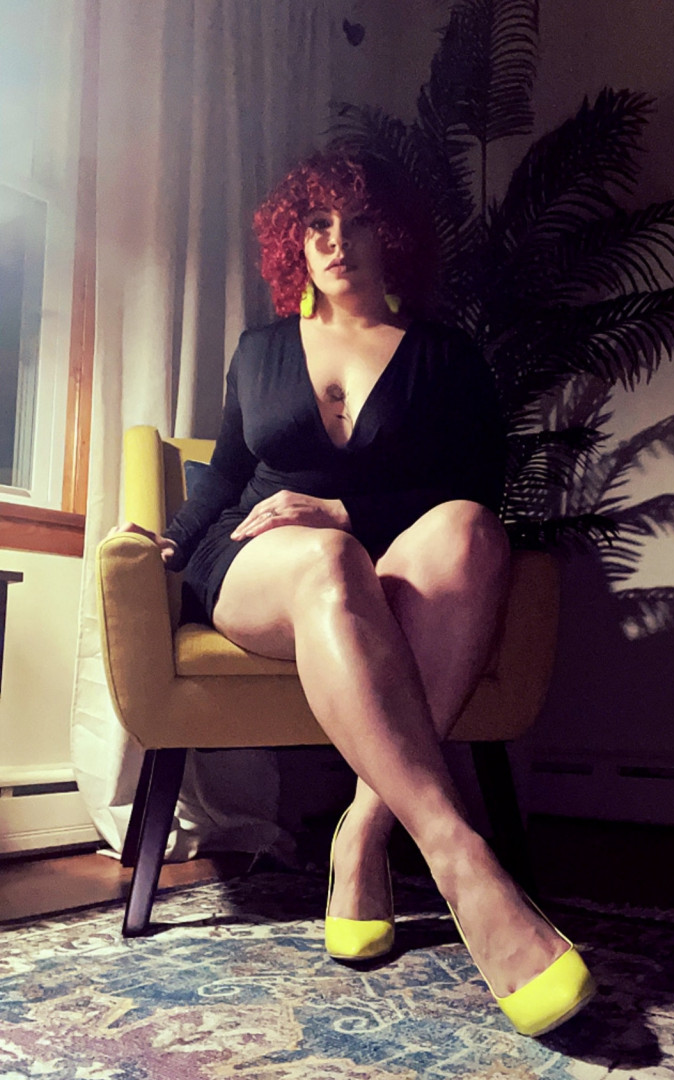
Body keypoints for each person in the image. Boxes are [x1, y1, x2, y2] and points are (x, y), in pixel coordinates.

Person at [115, 149, 595, 1036]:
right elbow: (226, 473)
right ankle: (462, 864)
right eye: (317, 224)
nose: (337, 242)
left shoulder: (446, 356)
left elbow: (476, 485)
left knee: (469, 532)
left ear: (392, 234)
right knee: (329, 560)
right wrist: (172, 539)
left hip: (386, 548)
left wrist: (344, 508)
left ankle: (364, 831)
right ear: (293, 241)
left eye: (359, 221)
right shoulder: (259, 350)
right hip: (261, 562)